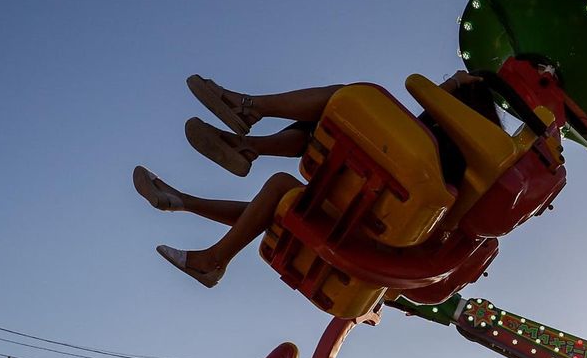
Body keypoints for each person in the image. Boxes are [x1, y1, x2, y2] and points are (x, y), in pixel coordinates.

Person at [134, 71, 505, 286]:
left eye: (455, 81)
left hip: (383, 207)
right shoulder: (454, 149)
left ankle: (248, 113)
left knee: (345, 99)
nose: (447, 80)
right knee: (281, 197)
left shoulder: (449, 145)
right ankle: (195, 195)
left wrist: (445, 92)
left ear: (468, 93)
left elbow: (421, 174)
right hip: (376, 208)